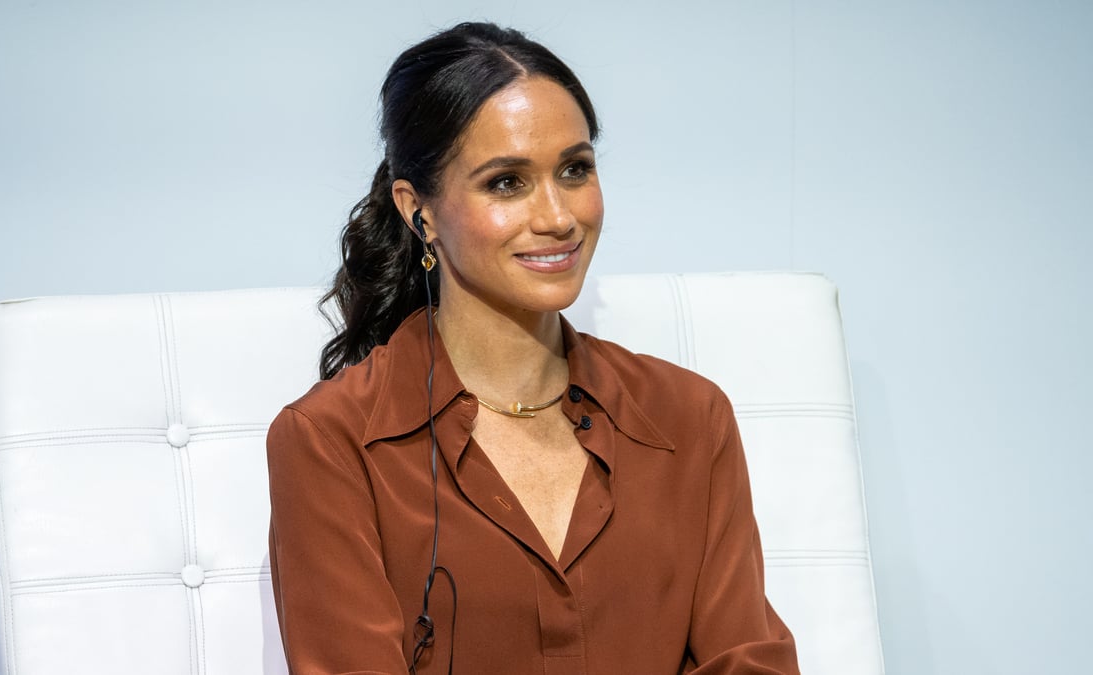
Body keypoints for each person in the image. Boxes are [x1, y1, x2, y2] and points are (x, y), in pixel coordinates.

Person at [267, 22, 799, 674]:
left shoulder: (690, 418)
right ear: (419, 211)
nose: (557, 216)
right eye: (507, 182)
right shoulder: (329, 442)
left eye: (575, 169)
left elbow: (750, 660)